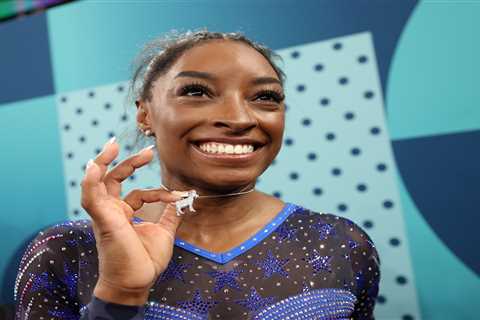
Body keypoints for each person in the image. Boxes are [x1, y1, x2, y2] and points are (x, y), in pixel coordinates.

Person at [14, 30, 380, 320]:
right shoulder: (65, 251)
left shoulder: (341, 242)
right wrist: (120, 294)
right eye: (196, 91)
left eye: (265, 97)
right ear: (145, 115)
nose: (239, 119)